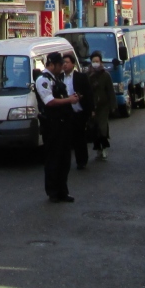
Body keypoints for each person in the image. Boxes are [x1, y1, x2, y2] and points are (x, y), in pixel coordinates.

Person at [34, 51, 80, 203]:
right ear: (51, 64)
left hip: (63, 123)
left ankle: (62, 190)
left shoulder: (56, 78)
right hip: (52, 125)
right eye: (60, 64)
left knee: (64, 159)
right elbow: (49, 102)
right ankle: (53, 191)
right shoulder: (43, 80)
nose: (62, 67)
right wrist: (68, 101)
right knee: (53, 159)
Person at [61, 52, 93, 170]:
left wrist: (90, 110)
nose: (64, 65)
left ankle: (82, 161)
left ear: (73, 64)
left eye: (67, 62)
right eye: (63, 62)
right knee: (67, 138)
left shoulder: (81, 77)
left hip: (79, 111)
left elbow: (88, 94)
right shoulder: (59, 78)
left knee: (79, 138)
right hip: (66, 113)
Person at [85, 50, 114, 161]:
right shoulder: (87, 75)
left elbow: (110, 91)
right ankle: (98, 148)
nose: (95, 63)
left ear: (101, 62)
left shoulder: (105, 75)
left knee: (102, 127)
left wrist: (113, 105)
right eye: (93, 61)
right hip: (92, 106)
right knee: (94, 128)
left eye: (97, 61)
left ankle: (105, 146)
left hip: (103, 106)